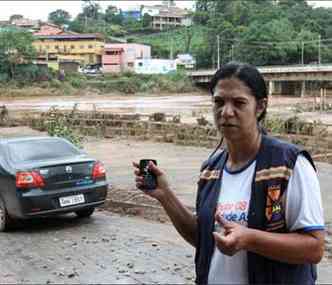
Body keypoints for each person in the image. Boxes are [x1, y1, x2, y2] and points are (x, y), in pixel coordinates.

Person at [133, 62, 325, 284]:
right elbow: (203, 238)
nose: (226, 112)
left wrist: (249, 239)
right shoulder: (210, 169)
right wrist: (165, 195)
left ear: (260, 107)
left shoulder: (289, 164)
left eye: (239, 103)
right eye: (219, 102)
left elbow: (314, 248)